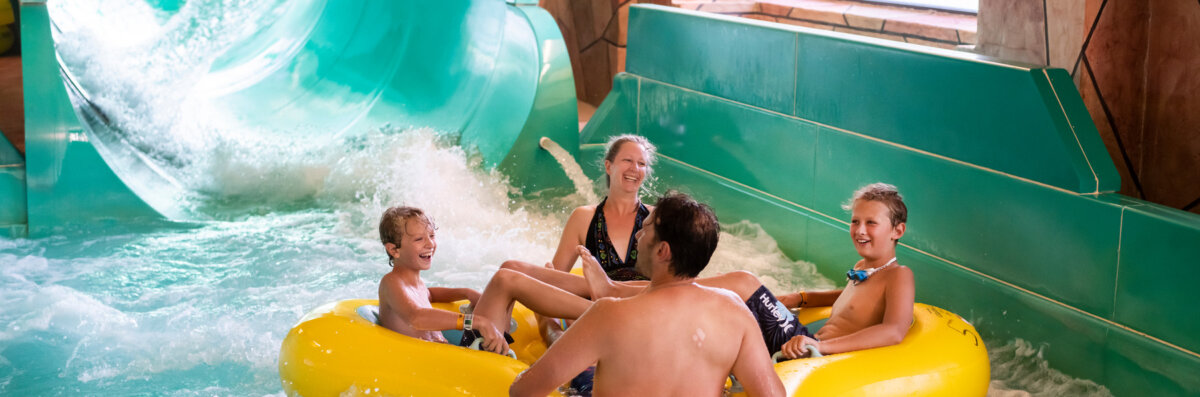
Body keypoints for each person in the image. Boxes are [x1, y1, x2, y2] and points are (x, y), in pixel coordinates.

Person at [583, 183, 914, 359]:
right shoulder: (862, 269)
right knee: (722, 305)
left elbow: (893, 331)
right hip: (802, 341)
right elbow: (849, 299)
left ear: (897, 231)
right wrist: (799, 296)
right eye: (855, 221)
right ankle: (617, 299)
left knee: (743, 281)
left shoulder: (899, 276)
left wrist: (821, 347)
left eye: (871, 223)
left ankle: (615, 291)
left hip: (809, 348)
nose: (859, 229)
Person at [508, 192, 785, 397]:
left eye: (646, 228)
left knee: (579, 370)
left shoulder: (610, 314)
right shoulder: (734, 312)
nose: (638, 234)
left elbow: (524, 391)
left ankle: (548, 322)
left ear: (663, 251)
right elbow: (773, 395)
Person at [376, 206, 510, 354]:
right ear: (394, 250)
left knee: (508, 281)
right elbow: (416, 317)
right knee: (506, 283)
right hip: (433, 363)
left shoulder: (417, 285)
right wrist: (476, 322)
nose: (430, 244)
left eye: (432, 236)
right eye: (419, 239)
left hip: (448, 353)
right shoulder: (390, 282)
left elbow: (430, 294)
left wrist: (465, 293)